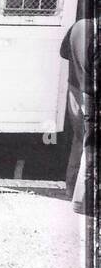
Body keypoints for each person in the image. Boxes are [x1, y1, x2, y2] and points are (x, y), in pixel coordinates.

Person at [61, 17, 97, 214]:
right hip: (90, 94)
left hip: (74, 88)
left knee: (79, 139)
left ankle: (70, 189)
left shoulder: (78, 26)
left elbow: (63, 53)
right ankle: (82, 201)